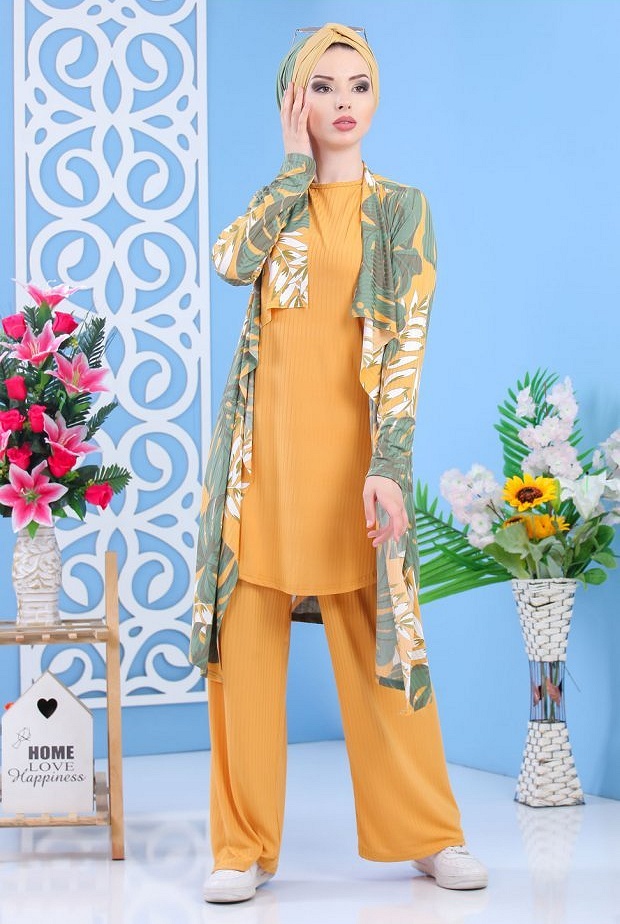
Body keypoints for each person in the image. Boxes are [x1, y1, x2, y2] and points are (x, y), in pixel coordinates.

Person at [191, 23, 488, 904]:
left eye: (358, 84)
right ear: (294, 101)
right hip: (260, 467)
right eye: (322, 86)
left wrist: (389, 461)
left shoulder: (401, 209)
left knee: (385, 653)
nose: (344, 101)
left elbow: (407, 349)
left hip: (357, 465)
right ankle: (241, 847)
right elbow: (229, 262)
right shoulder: (279, 204)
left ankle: (430, 834)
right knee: (246, 653)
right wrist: (293, 169)